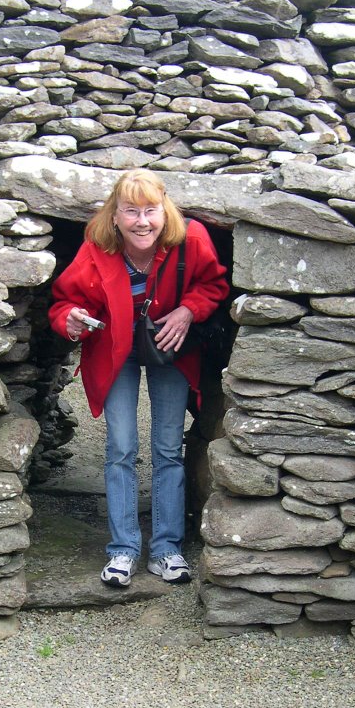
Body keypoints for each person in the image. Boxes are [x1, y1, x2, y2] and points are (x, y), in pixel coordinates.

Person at [49, 169, 229, 588]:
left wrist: (188, 310)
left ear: (164, 211)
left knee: (167, 447)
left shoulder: (193, 238)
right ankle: (123, 550)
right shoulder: (96, 247)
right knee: (120, 447)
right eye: (131, 211)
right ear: (115, 216)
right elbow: (65, 301)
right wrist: (71, 320)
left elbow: (213, 285)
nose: (142, 221)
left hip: (169, 344)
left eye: (151, 210)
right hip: (114, 351)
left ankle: (167, 549)